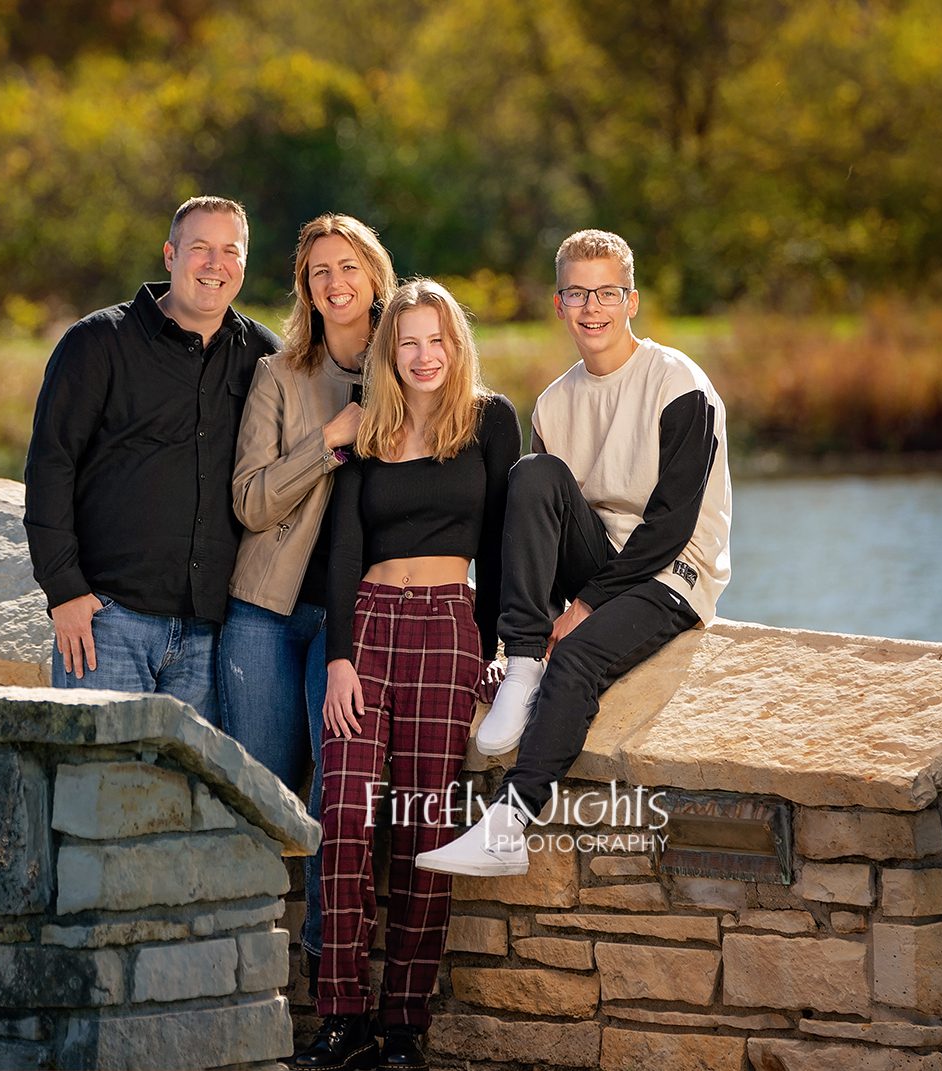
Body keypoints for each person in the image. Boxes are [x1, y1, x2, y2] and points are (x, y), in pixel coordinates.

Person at [416, 228, 732, 877]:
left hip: (671, 573)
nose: (593, 308)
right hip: (601, 560)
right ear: (558, 304)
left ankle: (506, 828)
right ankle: (522, 665)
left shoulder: (678, 383)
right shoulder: (554, 402)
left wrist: (586, 604)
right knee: (533, 474)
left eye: (607, 292)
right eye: (578, 293)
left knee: (580, 654)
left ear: (631, 300)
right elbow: (543, 524)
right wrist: (514, 636)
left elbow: (672, 524)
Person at [295, 279, 520, 1071]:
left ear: (457, 345)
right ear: (390, 352)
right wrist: (338, 657)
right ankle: (342, 1018)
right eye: (409, 342)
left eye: (437, 340)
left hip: (449, 631)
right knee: (344, 821)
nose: (425, 357)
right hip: (368, 626)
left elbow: (501, 547)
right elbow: (343, 550)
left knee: (428, 829)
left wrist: (497, 649)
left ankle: (403, 1025)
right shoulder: (371, 423)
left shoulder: (489, 420)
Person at [221, 214, 397, 999]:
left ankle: (327, 969)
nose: (335, 282)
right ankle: (243, 969)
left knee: (338, 790)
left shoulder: (412, 365)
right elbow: (251, 501)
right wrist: (328, 441)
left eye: (349, 266)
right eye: (320, 270)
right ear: (305, 287)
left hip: (353, 616)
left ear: (375, 274)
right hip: (265, 611)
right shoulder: (278, 373)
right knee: (258, 789)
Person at [23, 196, 281, 725]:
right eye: (200, 248)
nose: (215, 264)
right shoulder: (98, 342)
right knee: (100, 777)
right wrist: (65, 592)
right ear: (170, 254)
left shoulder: (263, 355)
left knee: (187, 783)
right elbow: (50, 466)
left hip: (211, 637)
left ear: (244, 262)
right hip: (108, 623)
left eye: (230, 251)